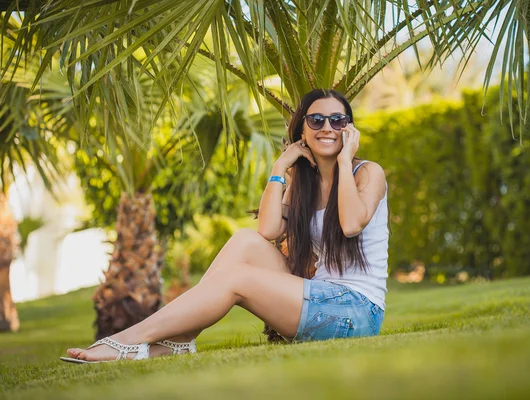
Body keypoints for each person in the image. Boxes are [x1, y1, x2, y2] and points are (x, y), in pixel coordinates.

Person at [61, 88, 389, 363]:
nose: (327, 127)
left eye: (338, 120)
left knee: (237, 278)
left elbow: (350, 224)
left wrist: (345, 161)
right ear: (302, 130)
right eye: (316, 120)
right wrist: (281, 165)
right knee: (245, 239)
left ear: (349, 129)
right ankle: (179, 340)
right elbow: (268, 231)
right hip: (323, 299)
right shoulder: (304, 183)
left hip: (356, 312)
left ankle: (129, 341)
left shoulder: (367, 173)